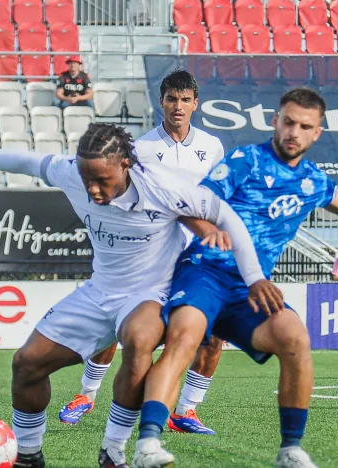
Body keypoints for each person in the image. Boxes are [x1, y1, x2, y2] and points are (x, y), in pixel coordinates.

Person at [0, 123, 283, 468]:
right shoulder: (70, 172)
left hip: (150, 292)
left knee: (140, 338)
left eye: (102, 180)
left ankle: (113, 451)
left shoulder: (164, 185)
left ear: (125, 165)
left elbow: (226, 216)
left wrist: (254, 277)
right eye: (87, 180)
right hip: (99, 290)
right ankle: (29, 456)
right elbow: (24, 161)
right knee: (27, 363)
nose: (94, 190)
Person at [129, 88, 338, 468]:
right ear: (276, 121)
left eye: (304, 126)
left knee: (296, 338)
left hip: (250, 288)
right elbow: (192, 203)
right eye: (288, 121)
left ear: (316, 134)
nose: (294, 131)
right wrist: (206, 229)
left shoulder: (312, 180)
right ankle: (148, 445)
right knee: (185, 338)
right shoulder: (246, 160)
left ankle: (290, 449)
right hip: (205, 273)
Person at [58, 69, 227, 436]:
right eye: (171, 99)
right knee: (118, 327)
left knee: (215, 333)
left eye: (185, 100)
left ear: (195, 104)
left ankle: (187, 411)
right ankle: (85, 394)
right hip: (151, 251)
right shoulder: (141, 148)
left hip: (197, 253)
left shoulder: (213, 147)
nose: (178, 106)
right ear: (161, 103)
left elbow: (216, 197)